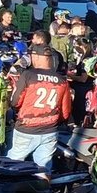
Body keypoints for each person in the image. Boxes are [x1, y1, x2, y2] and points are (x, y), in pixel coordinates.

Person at [6, 36, 72, 172]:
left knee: (12, 164)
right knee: (44, 167)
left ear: (36, 57)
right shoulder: (62, 80)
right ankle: (44, 191)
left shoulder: (28, 75)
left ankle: (10, 191)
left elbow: (15, 102)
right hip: (50, 130)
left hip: (27, 128)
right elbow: (65, 112)